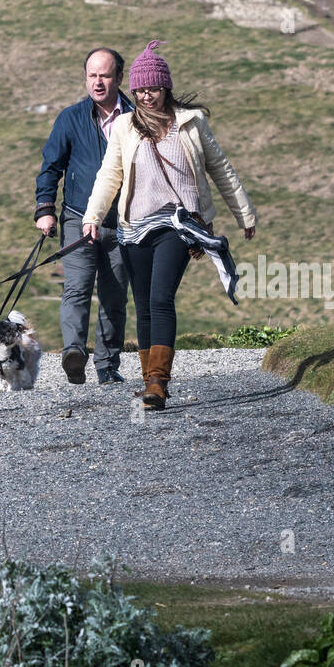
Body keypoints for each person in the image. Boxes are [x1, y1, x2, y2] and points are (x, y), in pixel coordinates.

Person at [81, 39, 257, 410]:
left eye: (154, 89)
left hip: (179, 225)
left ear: (167, 87)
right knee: (143, 302)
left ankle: (159, 382)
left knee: (161, 298)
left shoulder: (191, 123)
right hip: (134, 228)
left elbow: (221, 169)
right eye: (141, 90)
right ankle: (148, 382)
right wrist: (93, 217)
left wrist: (244, 213)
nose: (147, 96)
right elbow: (108, 175)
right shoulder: (125, 127)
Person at [34, 48, 133, 384]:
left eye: (105, 75)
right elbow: (51, 167)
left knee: (115, 296)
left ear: (120, 78)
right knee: (76, 288)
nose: (98, 82)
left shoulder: (136, 117)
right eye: (92, 75)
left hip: (122, 224)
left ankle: (107, 366)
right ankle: (74, 353)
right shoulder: (71, 118)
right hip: (78, 218)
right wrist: (45, 211)